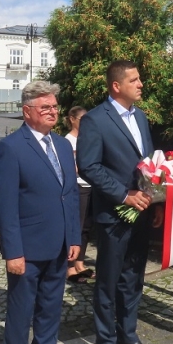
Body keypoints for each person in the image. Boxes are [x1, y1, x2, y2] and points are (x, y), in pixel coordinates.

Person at [0, 81, 81, 344]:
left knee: (50, 311)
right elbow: (5, 205)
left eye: (55, 107)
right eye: (45, 107)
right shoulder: (11, 148)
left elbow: (70, 194)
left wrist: (74, 237)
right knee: (21, 314)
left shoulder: (62, 145)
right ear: (27, 111)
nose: (52, 112)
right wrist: (13, 251)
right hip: (27, 250)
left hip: (59, 246)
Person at [77, 60, 162, 344]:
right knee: (109, 280)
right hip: (114, 214)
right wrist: (124, 195)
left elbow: (149, 165)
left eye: (139, 79)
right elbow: (89, 165)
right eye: (134, 80)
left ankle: (129, 336)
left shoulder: (140, 117)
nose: (141, 84)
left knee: (133, 277)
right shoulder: (96, 119)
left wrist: (155, 201)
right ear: (116, 86)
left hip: (142, 211)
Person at [65, 106, 94, 284]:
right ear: (72, 119)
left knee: (86, 228)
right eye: (82, 119)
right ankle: (69, 267)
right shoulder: (67, 141)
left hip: (91, 185)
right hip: (78, 186)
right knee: (76, 226)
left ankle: (80, 263)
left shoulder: (87, 138)